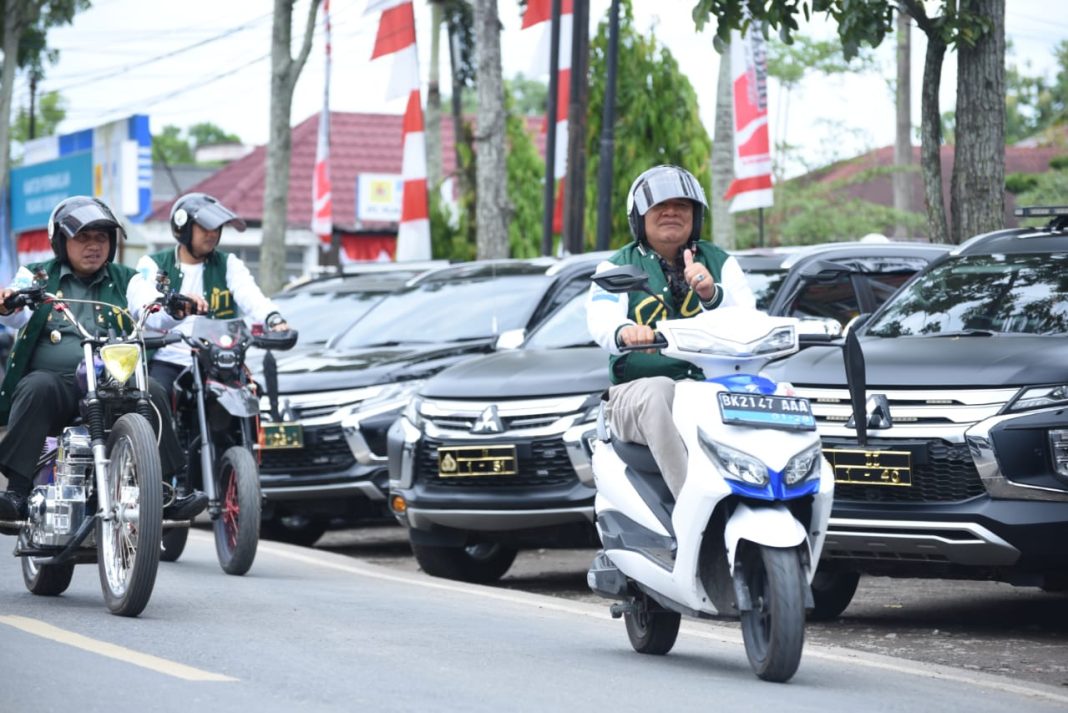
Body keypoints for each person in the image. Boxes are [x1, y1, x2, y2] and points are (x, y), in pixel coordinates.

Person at [0, 196, 189, 527]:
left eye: (101, 238)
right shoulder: (38, 276)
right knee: (36, 386)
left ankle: (163, 490)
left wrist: (171, 306)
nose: (93, 246)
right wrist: (9, 302)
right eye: (83, 237)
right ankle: (17, 491)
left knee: (155, 392)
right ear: (61, 241)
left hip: (112, 386)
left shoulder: (125, 278)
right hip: (58, 388)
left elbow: (151, 306)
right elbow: (15, 310)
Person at [586, 165, 756, 499]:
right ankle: (693, 504)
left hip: (709, 389)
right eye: (659, 205)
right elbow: (602, 319)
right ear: (639, 217)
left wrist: (711, 294)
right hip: (634, 396)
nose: (671, 211)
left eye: (681, 205)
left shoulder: (721, 262)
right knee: (659, 390)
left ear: (696, 215)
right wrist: (626, 332)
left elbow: (749, 323)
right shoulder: (616, 267)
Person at [127, 193, 288, 500]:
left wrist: (274, 318)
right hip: (169, 356)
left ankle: (246, 471)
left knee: (250, 392)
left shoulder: (229, 264)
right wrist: (168, 311)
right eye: (205, 227)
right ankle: (160, 477)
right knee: (151, 394)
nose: (212, 234)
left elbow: (252, 297)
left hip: (217, 358)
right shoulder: (153, 264)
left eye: (217, 228)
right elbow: (142, 303)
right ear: (182, 229)